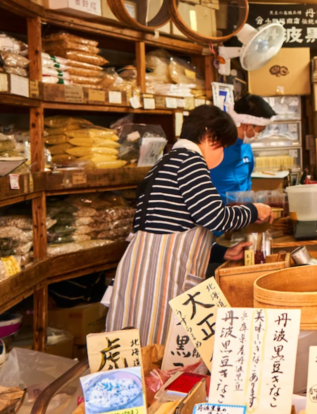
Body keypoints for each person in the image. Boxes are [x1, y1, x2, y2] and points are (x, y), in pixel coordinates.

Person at [106, 105, 272, 344]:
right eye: (222, 147)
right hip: (160, 276)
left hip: (146, 271)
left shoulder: (167, 162)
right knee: (155, 348)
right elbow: (215, 217)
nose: (223, 154)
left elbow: (179, 224)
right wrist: (253, 210)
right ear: (208, 136)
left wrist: (222, 251)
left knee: (140, 346)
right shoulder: (190, 163)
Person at [208, 94, 276, 265]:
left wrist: (257, 208)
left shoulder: (246, 148)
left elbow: (246, 185)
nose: (258, 135)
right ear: (246, 125)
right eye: (259, 131)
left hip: (239, 224)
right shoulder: (214, 148)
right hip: (212, 231)